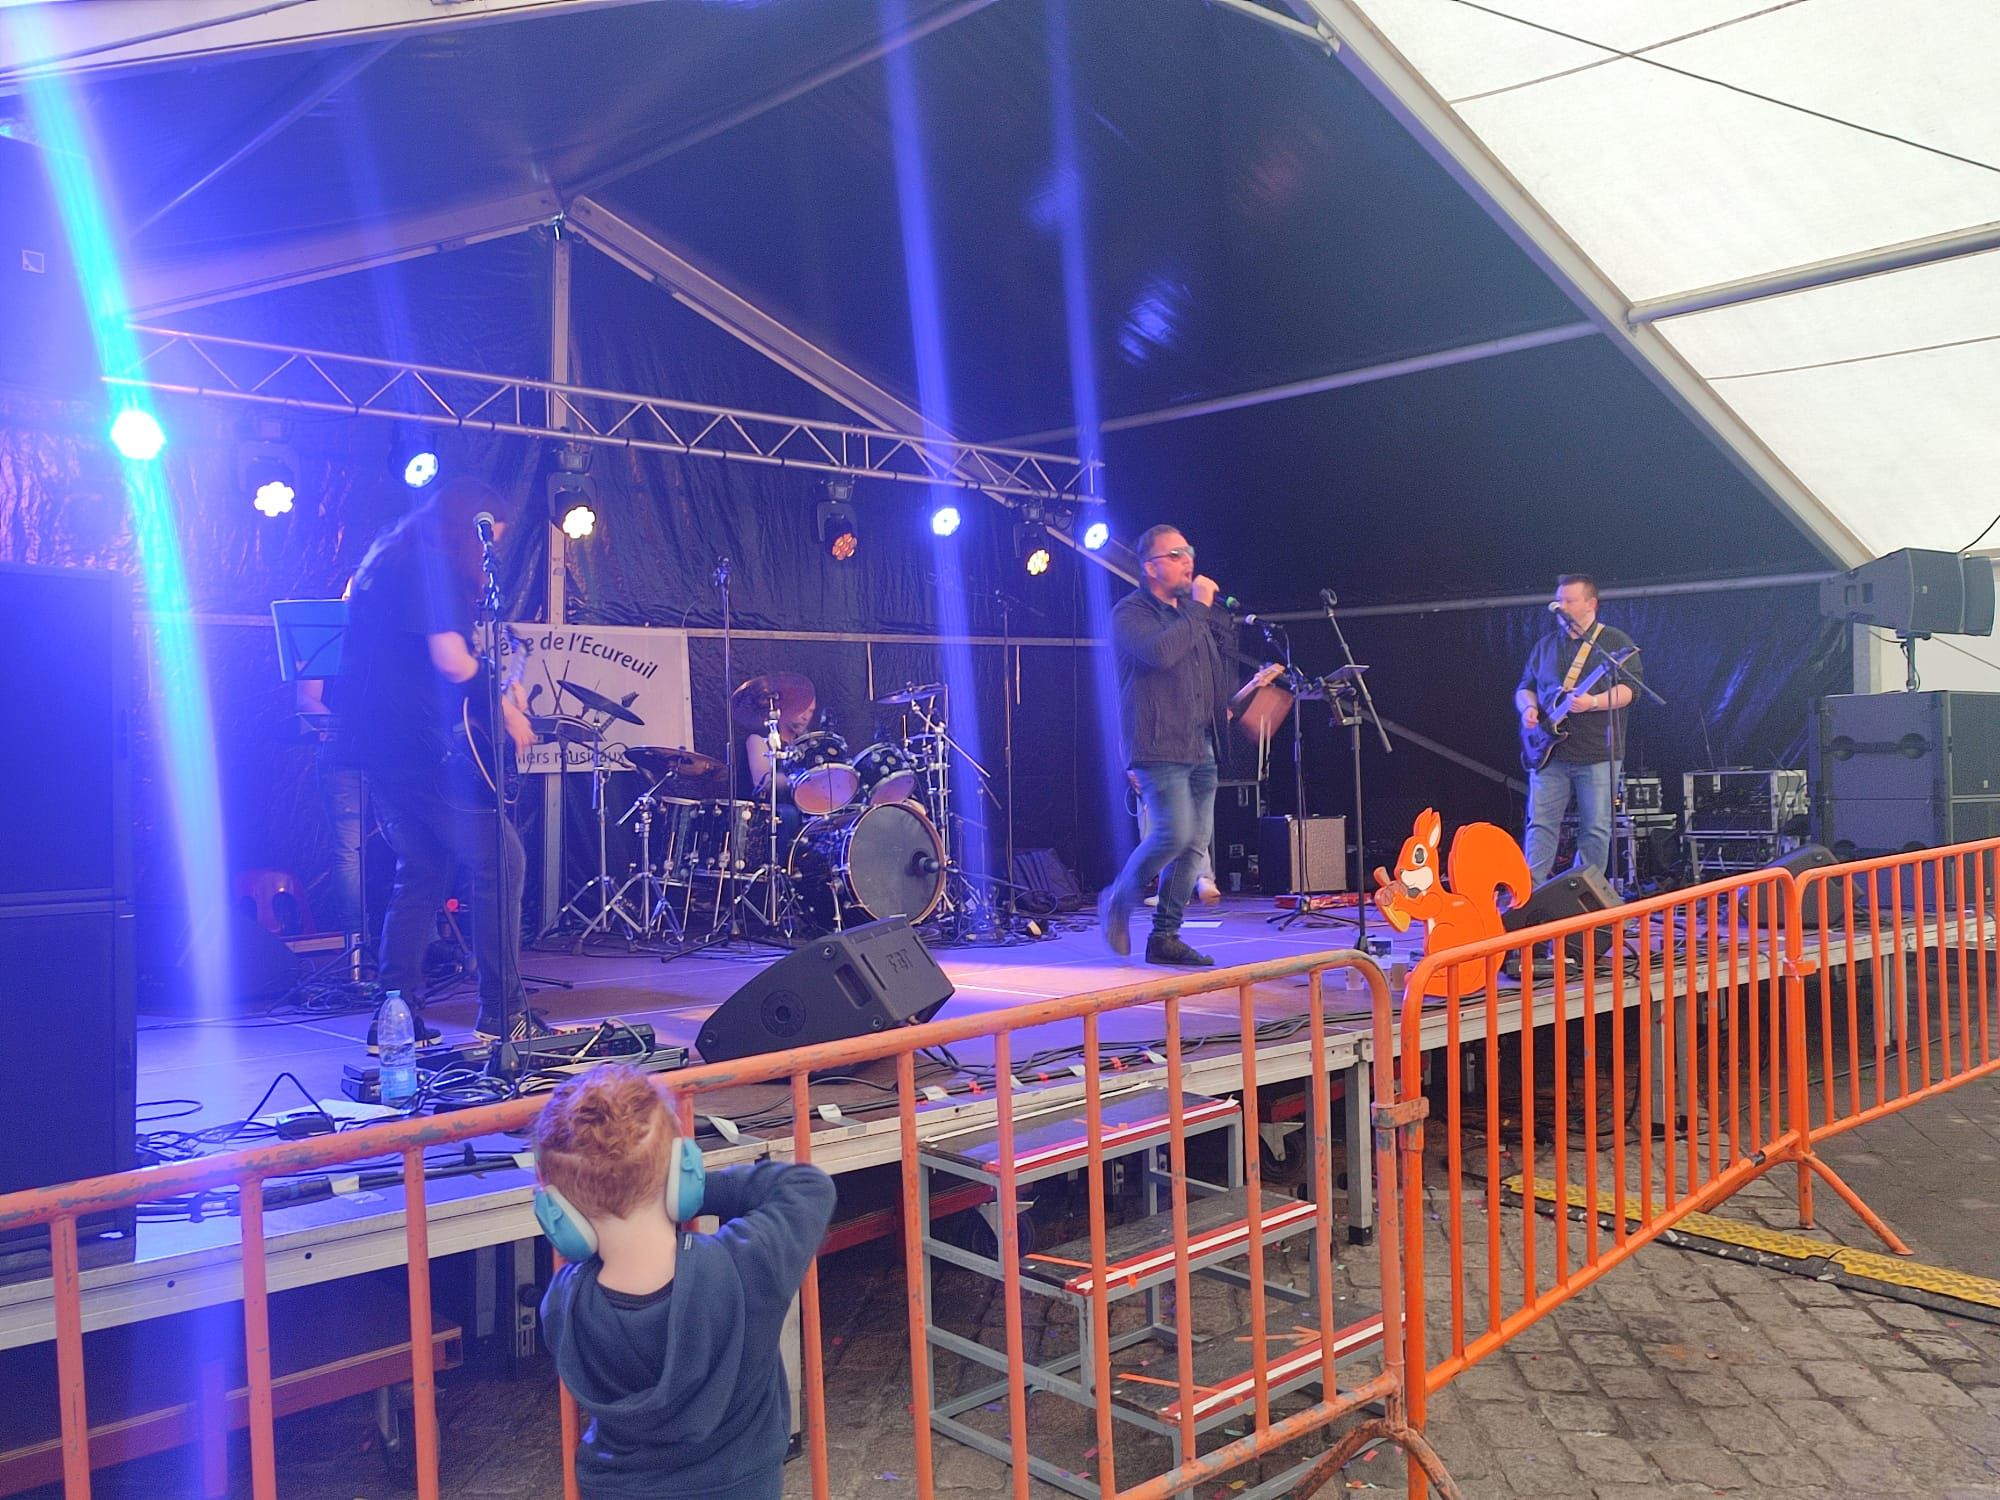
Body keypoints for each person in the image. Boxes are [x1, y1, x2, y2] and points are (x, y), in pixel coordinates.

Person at [536, 1066, 836, 1500]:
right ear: (683, 1170)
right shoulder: (747, 1265)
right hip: (741, 1485)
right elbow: (807, 1187)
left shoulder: (564, 1303)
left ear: (558, 1214)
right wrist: (690, 1188)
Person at [334, 476, 548, 1044]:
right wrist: (499, 699)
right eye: (490, 539)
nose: (492, 552)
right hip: (414, 745)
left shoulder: (390, 557)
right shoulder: (432, 567)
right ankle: (503, 1012)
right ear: (469, 527)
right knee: (502, 859)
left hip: (378, 743)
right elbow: (451, 660)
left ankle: (394, 1017)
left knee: (422, 869)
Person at [1099, 525, 1240, 966]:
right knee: (1172, 834)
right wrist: (1198, 610)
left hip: (1201, 744)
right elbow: (1160, 654)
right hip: (1158, 743)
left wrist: (1230, 708)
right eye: (1176, 554)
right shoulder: (1130, 613)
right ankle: (1118, 898)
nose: (1188, 561)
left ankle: (1164, 937)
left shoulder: (1192, 617)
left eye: (1189, 551)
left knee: (1194, 845)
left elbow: (1208, 674)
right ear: (1150, 567)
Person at [1515, 574, 1644, 887]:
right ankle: (1530, 892)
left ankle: (1583, 892)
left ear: (1591, 604)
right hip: (1549, 753)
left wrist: (1593, 702)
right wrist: (1528, 709)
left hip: (1597, 752)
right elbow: (1525, 687)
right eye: (1560, 600)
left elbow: (1630, 691)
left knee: (1596, 828)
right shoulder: (1545, 646)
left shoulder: (1614, 642)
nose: (1562, 607)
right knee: (1541, 824)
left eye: (1570, 601)